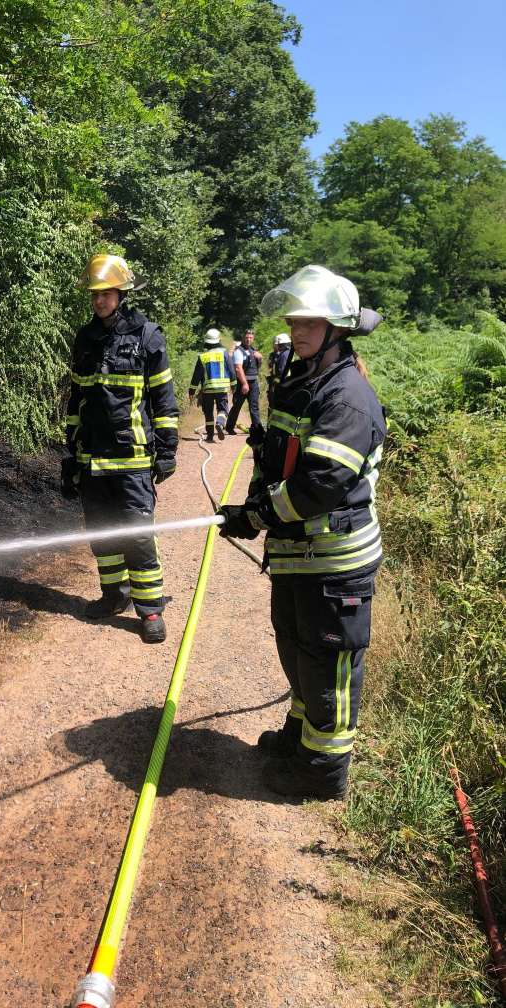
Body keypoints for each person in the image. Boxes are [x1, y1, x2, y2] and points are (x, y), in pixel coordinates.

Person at [218, 265, 386, 800]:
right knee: (297, 648)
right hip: (299, 555)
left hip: (334, 562)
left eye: (311, 319)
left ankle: (323, 770)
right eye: (295, 318)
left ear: (338, 327)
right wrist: (252, 503)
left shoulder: (348, 398)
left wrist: (256, 517)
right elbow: (279, 462)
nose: (299, 327)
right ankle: (302, 736)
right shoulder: (304, 381)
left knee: (328, 661)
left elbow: (319, 486)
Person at [61, 253, 179, 645]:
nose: (99, 301)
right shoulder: (85, 338)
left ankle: (150, 611)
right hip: (92, 458)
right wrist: (70, 454)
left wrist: (167, 449)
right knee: (103, 535)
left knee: (138, 536)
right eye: (95, 294)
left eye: (106, 293)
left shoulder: (147, 336)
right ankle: (114, 597)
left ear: (121, 292)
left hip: (133, 460)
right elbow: (76, 399)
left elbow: (163, 398)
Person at [188, 328, 234, 442]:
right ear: (218, 340)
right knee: (223, 410)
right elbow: (232, 371)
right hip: (221, 389)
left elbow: (196, 376)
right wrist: (234, 386)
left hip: (207, 389)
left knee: (208, 412)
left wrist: (191, 391)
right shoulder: (224, 354)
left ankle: (209, 435)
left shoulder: (202, 356)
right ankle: (220, 423)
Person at [226, 328, 263, 434]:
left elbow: (257, 367)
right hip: (242, 384)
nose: (248, 339)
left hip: (254, 383)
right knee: (237, 406)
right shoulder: (238, 351)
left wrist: (260, 359)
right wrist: (244, 384)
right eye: (247, 337)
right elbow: (238, 368)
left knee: (254, 407)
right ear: (243, 338)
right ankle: (229, 427)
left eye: (251, 337)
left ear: (253, 338)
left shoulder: (253, 350)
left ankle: (257, 430)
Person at [267, 332, 292, 403]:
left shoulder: (284, 355)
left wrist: (276, 383)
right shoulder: (285, 353)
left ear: (281, 344)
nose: (275, 346)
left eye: (277, 344)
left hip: (281, 385)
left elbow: (282, 371)